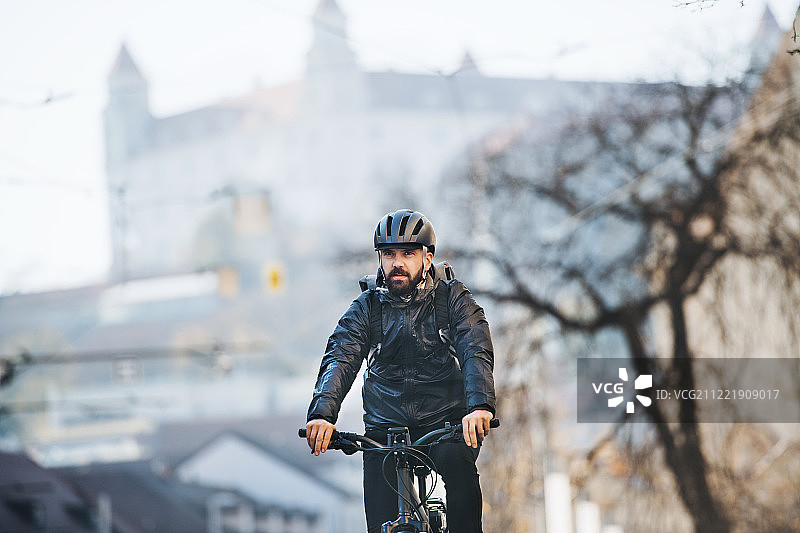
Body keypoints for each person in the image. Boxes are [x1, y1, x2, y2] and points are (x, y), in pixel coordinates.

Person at [305, 209, 496, 533]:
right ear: (380, 259)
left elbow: (474, 347)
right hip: (385, 428)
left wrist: (479, 407)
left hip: (445, 423)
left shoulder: (452, 298)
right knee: (379, 521)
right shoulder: (367, 307)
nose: (397, 262)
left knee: (458, 469)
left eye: (408, 253)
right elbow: (341, 356)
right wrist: (323, 414)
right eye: (389, 254)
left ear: (427, 257)